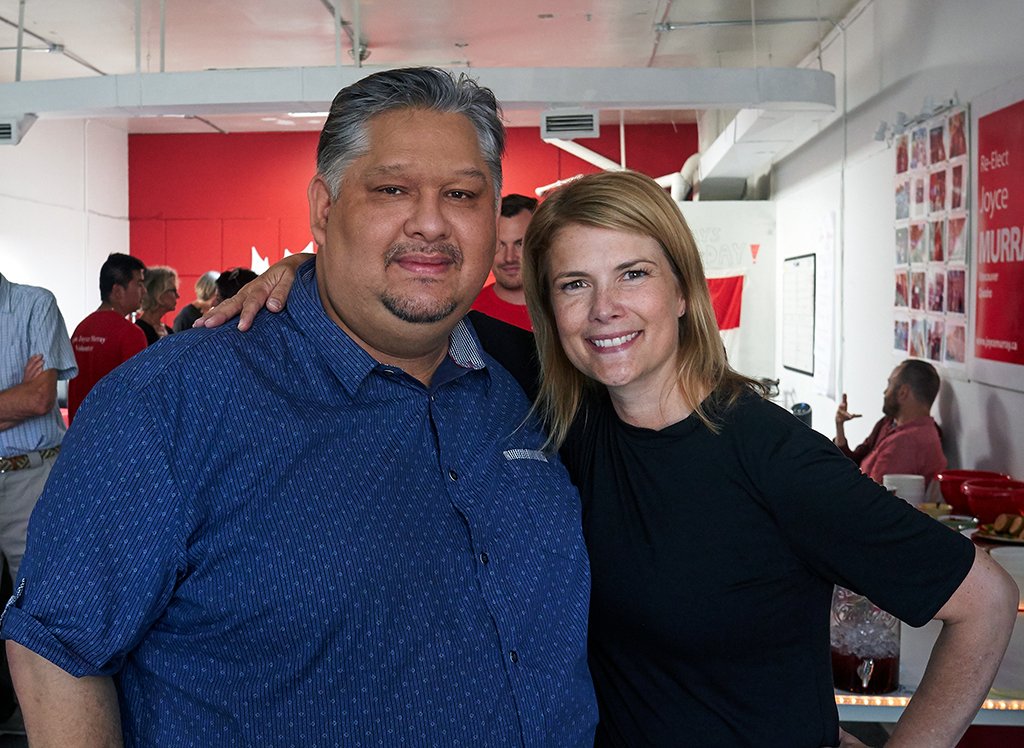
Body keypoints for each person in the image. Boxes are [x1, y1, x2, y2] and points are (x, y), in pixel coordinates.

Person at [216, 170, 1018, 747]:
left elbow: (983, 602)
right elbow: (408, 306)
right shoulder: (570, 408)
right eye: (573, 285)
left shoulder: (770, 456)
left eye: (632, 274)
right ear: (549, 306)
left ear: (682, 290)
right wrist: (305, 273)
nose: (604, 311)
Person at [2, 67, 595, 747]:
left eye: (461, 194)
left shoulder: (533, 383)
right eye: (392, 189)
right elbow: (57, 649)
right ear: (324, 207)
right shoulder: (170, 404)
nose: (430, 222)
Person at [0, 274, 77, 585]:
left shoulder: (35, 304)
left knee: (37, 601)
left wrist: (28, 393)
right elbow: (29, 398)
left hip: (29, 481)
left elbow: (38, 399)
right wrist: (16, 393)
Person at [834, 359, 947, 486]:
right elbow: (857, 459)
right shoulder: (889, 424)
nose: (885, 392)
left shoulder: (906, 442)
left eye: (890, 385)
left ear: (903, 392)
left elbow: (870, 495)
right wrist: (840, 427)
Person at [67, 253, 147, 422]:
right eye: (139, 284)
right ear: (117, 291)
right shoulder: (130, 333)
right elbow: (139, 391)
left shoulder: (81, 329)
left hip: (78, 433)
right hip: (113, 435)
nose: (144, 291)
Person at [471, 193, 537, 330]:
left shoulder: (563, 306)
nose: (509, 258)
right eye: (500, 245)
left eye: (520, 244)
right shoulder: (468, 312)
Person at [135, 265, 179, 345]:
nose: (177, 296)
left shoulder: (168, 331)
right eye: (173, 290)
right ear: (158, 293)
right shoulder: (138, 332)